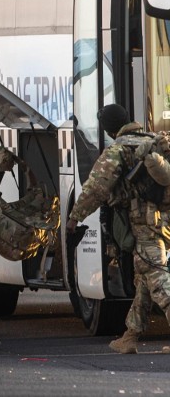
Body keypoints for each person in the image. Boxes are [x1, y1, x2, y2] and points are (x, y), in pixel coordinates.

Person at [65, 104, 170, 354]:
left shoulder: (118, 148)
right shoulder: (154, 141)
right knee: (143, 279)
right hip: (164, 219)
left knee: (155, 275)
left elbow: (96, 188)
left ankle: (131, 336)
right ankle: (130, 336)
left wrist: (74, 218)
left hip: (147, 222)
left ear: (108, 129)